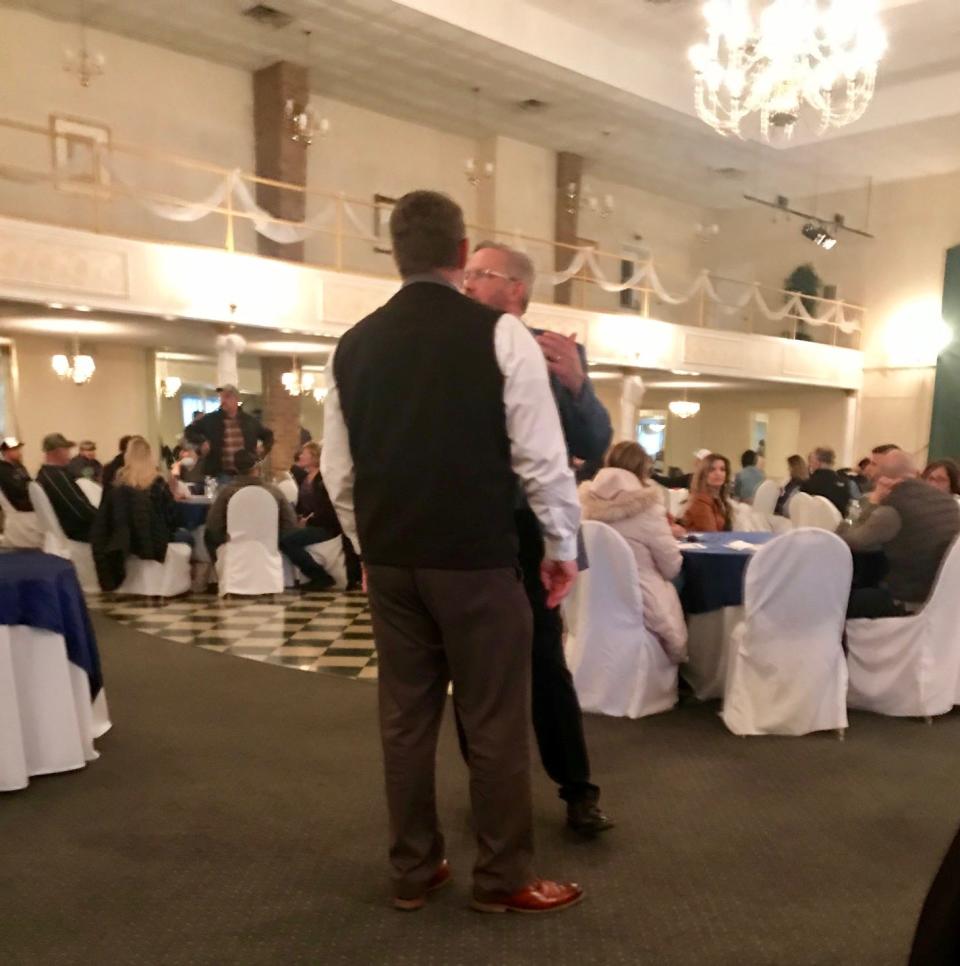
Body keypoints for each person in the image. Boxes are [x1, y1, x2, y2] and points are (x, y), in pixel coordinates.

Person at [321, 190, 583, 914]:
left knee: (405, 721)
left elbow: (338, 473)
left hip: (395, 563)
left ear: (395, 254)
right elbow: (541, 459)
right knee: (494, 720)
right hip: (476, 561)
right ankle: (501, 880)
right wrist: (561, 544)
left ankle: (414, 870)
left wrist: (369, 546)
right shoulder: (501, 336)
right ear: (463, 256)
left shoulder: (352, 344)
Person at [463, 239, 614, 836]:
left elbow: (593, 444)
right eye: (467, 272)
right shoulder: (458, 342)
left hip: (531, 530)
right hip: (473, 527)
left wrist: (579, 386)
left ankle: (577, 790)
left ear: (517, 290)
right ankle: (487, 787)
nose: (468, 282)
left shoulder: (553, 352)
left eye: (482, 274)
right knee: (471, 666)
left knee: (545, 663)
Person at [579, 442, 686, 662]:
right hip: (637, 597)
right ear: (642, 470)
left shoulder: (582, 504)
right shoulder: (648, 509)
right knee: (681, 580)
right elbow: (671, 566)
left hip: (589, 595)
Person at [838, 449, 960, 617]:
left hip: (909, 600)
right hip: (946, 599)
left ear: (882, 479)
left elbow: (844, 540)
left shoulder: (892, 510)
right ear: (917, 474)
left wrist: (872, 502)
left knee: (837, 598)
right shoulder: (950, 503)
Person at [90, 436, 193, 590]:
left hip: (123, 538)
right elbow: (171, 517)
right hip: (154, 538)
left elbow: (105, 511)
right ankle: (194, 581)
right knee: (189, 536)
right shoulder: (157, 482)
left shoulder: (116, 483)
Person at [279, 441, 361, 591]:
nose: (301, 455)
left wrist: (308, 521)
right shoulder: (306, 478)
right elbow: (302, 506)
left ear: (315, 457)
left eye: (305, 453)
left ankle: (320, 577)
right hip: (311, 524)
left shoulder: (324, 480)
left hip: (325, 527)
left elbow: (328, 511)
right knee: (284, 537)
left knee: (286, 541)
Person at [204, 449, 297, 561]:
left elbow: (214, 524)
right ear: (258, 468)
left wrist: (227, 538)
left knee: (208, 535)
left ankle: (220, 570)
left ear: (236, 469)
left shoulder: (226, 493)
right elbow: (290, 522)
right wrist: (275, 539)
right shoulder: (274, 492)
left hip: (235, 547)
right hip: (268, 546)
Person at [184, 385, 274, 481]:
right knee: (225, 495)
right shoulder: (210, 420)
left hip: (246, 473)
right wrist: (202, 442)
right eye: (221, 397)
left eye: (227, 397)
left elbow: (268, 435)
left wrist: (263, 449)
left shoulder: (250, 421)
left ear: (236, 399)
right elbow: (189, 431)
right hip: (221, 474)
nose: (223, 401)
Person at [36, 432, 97, 542]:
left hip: (71, 528)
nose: (69, 453)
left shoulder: (44, 474)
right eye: (66, 449)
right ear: (57, 451)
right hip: (79, 532)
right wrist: (103, 518)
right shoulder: (57, 476)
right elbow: (78, 507)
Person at [681, 453, 732, 532]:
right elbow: (711, 535)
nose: (718, 473)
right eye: (712, 470)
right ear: (703, 475)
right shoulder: (700, 501)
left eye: (722, 469)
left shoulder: (720, 500)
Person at [800, 446, 850, 517]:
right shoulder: (844, 483)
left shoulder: (809, 483)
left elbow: (801, 508)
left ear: (817, 462)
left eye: (811, 461)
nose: (810, 464)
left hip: (813, 524)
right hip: (837, 525)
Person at [0, 437, 33, 511]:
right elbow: (14, 490)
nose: (19, 452)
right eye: (15, 449)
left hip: (29, 501)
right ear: (6, 452)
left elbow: (29, 481)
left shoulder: (20, 466)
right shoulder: (2, 470)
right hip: (18, 506)